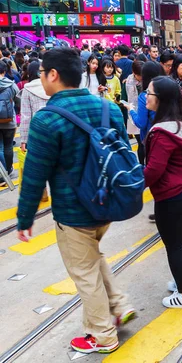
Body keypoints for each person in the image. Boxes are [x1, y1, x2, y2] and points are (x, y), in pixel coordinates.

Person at [16, 47, 134, 353]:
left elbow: (34, 175)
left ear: (53, 75)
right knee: (92, 259)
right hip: (107, 203)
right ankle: (119, 305)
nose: (41, 78)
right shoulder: (106, 107)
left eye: (42, 73)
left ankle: (102, 335)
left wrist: (25, 219)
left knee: (84, 274)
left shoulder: (47, 120)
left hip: (73, 211)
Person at [143, 76, 182, 309]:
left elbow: (153, 171)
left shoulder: (162, 133)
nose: (146, 96)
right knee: (178, 241)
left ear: (162, 99)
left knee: (174, 244)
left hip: (172, 196)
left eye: (149, 93)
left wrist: (133, 186)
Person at [18, 60, 50, 199]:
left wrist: (23, 139)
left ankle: (42, 193)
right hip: (54, 129)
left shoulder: (27, 89)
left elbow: (25, 117)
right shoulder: (52, 86)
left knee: (38, 165)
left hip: (36, 133)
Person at [128, 61, 165, 166]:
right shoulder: (169, 91)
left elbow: (141, 123)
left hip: (152, 139)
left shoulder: (145, 96)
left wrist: (131, 110)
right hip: (170, 136)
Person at [0, 60, 19, 179]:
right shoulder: (11, 84)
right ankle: (8, 168)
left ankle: (2, 172)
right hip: (9, 121)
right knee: (8, 146)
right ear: (4, 71)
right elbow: (18, 100)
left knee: (0, 147)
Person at [124, 60, 143, 143]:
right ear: (134, 73)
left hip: (145, 113)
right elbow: (124, 98)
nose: (141, 77)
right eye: (139, 75)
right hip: (132, 113)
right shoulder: (128, 82)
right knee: (140, 142)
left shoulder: (148, 81)